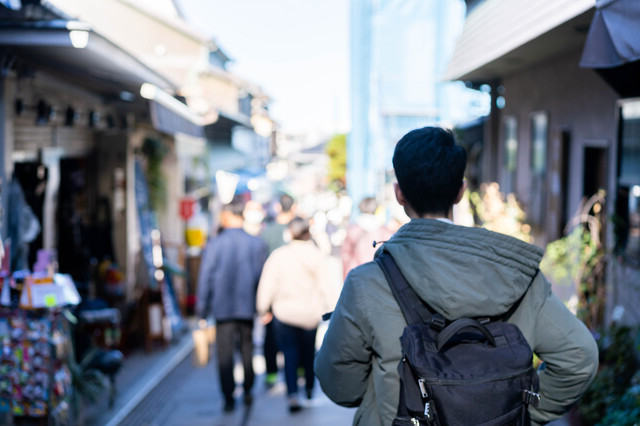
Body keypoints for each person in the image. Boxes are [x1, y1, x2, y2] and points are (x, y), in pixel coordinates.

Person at [314, 126, 599, 426]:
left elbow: (339, 385)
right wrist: (521, 407)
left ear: (398, 193)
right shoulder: (515, 275)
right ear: (461, 191)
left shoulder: (368, 283)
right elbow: (579, 358)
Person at [196, 195, 267, 413]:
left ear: (226, 216)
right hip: (247, 306)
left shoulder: (215, 244)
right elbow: (262, 278)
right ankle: (247, 390)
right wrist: (264, 306)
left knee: (224, 353)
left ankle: (228, 397)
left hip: (222, 307)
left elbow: (205, 276)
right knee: (247, 348)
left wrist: (202, 309)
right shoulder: (256, 243)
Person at [257, 217, 330, 413]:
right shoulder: (316, 254)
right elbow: (326, 285)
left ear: (289, 232)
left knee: (289, 354)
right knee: (308, 354)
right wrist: (328, 309)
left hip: (285, 314)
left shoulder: (279, 255)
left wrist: (263, 309)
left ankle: (292, 395)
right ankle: (308, 388)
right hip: (310, 314)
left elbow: (267, 285)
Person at [259, 193, 296, 387]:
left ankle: (271, 373)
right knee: (297, 335)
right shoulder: (300, 228)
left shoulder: (267, 232)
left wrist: (262, 304)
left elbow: (261, 265)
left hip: (274, 293)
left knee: (270, 336)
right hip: (298, 293)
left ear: (278, 208)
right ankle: (298, 370)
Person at [341, 196, 393, 280]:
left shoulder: (352, 230)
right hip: (379, 277)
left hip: (356, 276)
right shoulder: (385, 232)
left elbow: (345, 256)